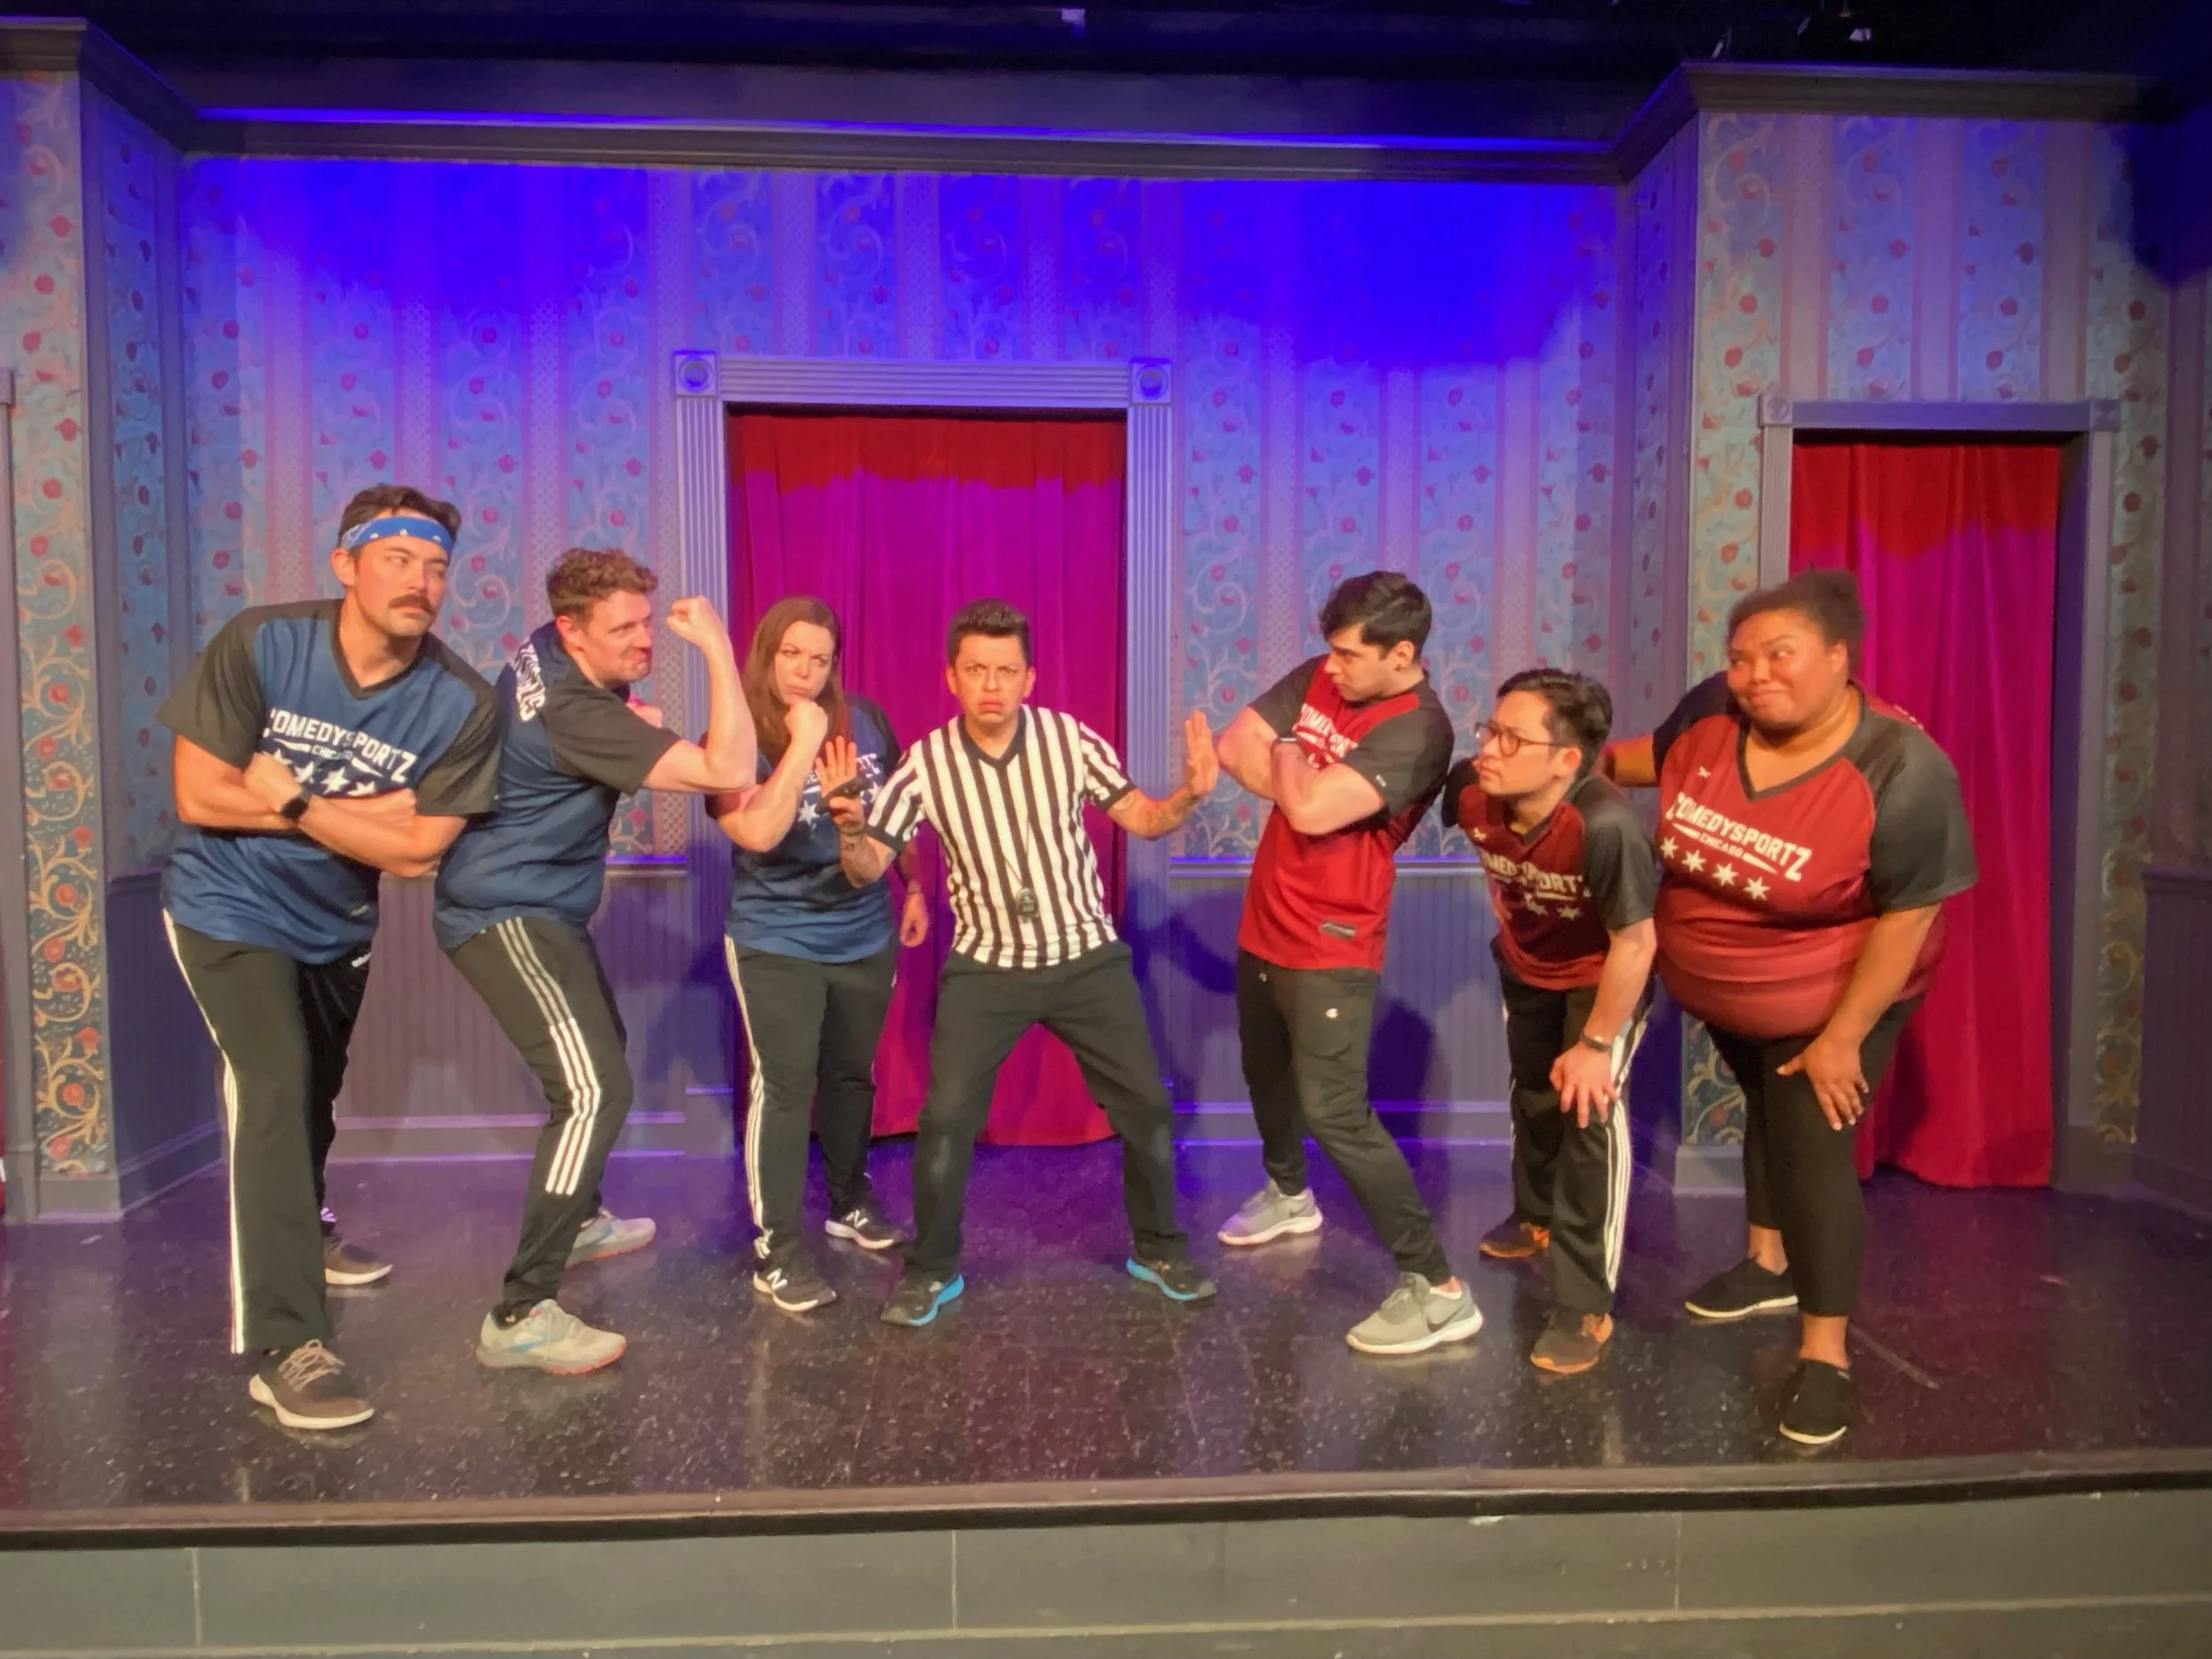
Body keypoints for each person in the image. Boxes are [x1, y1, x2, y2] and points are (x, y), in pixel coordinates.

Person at [1602, 568, 1975, 1447]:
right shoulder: (1715, 710)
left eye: (1780, 654)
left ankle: (1826, 1355)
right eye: (1740, 657)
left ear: (1839, 657)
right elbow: (1650, 758)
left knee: (1810, 1145)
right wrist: (1557, 755)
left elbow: (1910, 913)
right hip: (1730, 990)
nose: (1755, 674)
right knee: (1767, 1109)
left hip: (1838, 996)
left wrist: (1843, 1036)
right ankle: (1766, 1264)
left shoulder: (1901, 766)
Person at [161, 484, 503, 1430]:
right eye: (398, 559)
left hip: (336, 926)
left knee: (312, 1093)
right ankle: (289, 1344)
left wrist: (293, 797)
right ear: (346, 565)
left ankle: (303, 1226)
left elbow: (419, 852)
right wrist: (366, 817)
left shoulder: (461, 702)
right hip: (225, 904)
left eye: (436, 566)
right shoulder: (263, 643)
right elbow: (199, 793)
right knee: (272, 1084)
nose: (420, 580)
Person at [824, 598, 1217, 1325]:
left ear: (1030, 678)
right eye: (977, 669)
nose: (992, 685)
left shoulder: (1070, 740)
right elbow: (866, 866)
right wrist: (850, 827)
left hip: (1085, 957)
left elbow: (1143, 819)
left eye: (1006, 670)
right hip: (987, 966)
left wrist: (1190, 794)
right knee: (945, 1118)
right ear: (951, 677)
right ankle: (933, 1268)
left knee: (1147, 1108)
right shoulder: (927, 763)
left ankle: (1160, 1247)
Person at [433, 549, 755, 1374]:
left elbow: (564, 726)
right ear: (573, 628)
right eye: (625, 629)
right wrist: (717, 649)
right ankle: (520, 1311)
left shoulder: (543, 652)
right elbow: (729, 769)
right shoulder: (577, 710)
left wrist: (633, 716)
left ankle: (578, 1219)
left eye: (646, 621)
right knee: (593, 1088)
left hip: (534, 904)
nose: (645, 639)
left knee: (599, 1046)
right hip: (506, 910)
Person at [1211, 571, 1477, 1357]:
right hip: (1266, 915)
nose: (1331, 667)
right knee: (1265, 1067)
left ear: (1402, 655)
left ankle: (1438, 1288)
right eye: (1330, 651)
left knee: (1335, 1111)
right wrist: (1297, 775)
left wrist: (1289, 755)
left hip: (1333, 939)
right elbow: (1234, 747)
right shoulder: (1326, 675)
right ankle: (1289, 1194)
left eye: (1350, 655)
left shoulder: (1419, 729)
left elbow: (1310, 808)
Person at [710, 597, 929, 1315]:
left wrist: (914, 885)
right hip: (777, 935)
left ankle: (849, 1200)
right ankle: (776, 1251)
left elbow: (897, 815)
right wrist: (802, 744)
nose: (805, 671)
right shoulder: (737, 732)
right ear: (767, 655)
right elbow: (757, 833)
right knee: (784, 1085)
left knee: (850, 1074)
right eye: (792, 655)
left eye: (820, 658)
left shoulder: (865, 720)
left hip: (863, 928)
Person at [1440, 668, 1656, 1376]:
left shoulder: (1604, 825)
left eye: (1512, 738)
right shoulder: (1471, 791)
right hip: (1526, 963)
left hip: (1602, 980)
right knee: (1533, 1093)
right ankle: (1535, 1215)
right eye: (1490, 730)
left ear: (1566, 758)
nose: (1488, 749)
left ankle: (1585, 1301)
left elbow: (1636, 942)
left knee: (1587, 1116)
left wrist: (1596, 1043)